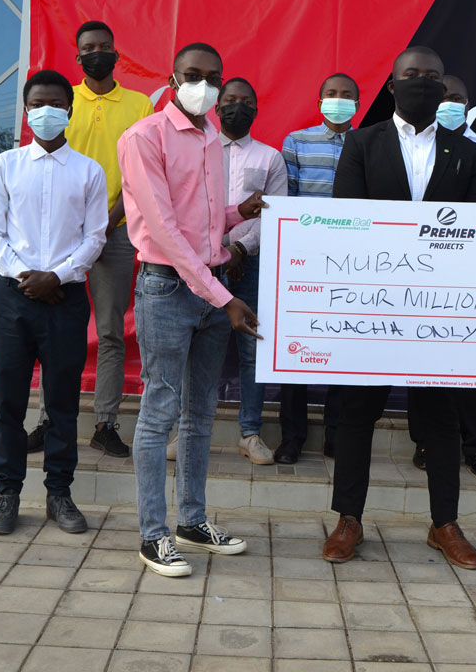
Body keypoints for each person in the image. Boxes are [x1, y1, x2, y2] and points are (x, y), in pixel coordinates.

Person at [322, 47, 476, 570]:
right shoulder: (361, 143)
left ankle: (445, 524)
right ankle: (349, 518)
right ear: (392, 85)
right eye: (411, 76)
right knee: (355, 414)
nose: (422, 83)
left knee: (440, 418)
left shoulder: (467, 153)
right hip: (372, 307)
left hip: (438, 312)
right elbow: (348, 221)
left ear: (445, 90)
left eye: (433, 77)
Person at [118, 43, 267, 577]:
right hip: (168, 288)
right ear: (172, 77)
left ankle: (192, 521)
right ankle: (153, 535)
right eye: (193, 76)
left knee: (200, 415)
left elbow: (200, 220)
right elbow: (164, 230)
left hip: (210, 289)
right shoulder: (144, 137)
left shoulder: (207, 134)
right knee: (160, 410)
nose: (203, 87)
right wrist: (225, 297)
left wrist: (234, 213)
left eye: (213, 78)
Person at [0, 70, 108, 536]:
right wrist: (25, 276)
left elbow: (95, 236)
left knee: (63, 401)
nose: (46, 111)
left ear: (69, 110)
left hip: (66, 297)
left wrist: (59, 275)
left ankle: (60, 493)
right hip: (14, 299)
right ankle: (6, 493)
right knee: (8, 402)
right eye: (37, 103)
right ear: (27, 110)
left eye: (55, 103)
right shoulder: (5, 165)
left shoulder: (89, 171)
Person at [26, 20, 153, 458]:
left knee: (111, 333)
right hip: (62, 236)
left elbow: (140, 175)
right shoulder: (63, 101)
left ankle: (105, 423)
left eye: (104, 46)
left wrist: (105, 224)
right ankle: (47, 420)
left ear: (116, 52)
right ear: (77, 56)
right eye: (88, 47)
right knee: (57, 331)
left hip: (115, 235)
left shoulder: (139, 105)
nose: (97, 52)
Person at [408, 74, 476, 478]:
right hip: (422, 274)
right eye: (445, 97)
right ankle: (424, 441)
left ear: (468, 104)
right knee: (425, 362)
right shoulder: (415, 150)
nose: (450, 103)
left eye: (458, 98)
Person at [273, 73, 359, 464]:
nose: (338, 100)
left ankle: (336, 435)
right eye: (331, 94)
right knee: (296, 350)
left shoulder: (368, 143)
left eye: (346, 96)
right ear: (320, 99)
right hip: (305, 260)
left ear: (358, 103)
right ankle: (292, 437)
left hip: (353, 264)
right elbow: (287, 202)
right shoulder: (297, 141)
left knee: (343, 348)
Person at [216, 77, 288, 464]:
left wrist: (242, 247)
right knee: (200, 346)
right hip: (204, 262)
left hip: (253, 261)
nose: (236, 107)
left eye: (245, 101)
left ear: (256, 111)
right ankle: (188, 428)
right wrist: (220, 249)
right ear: (216, 106)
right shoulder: (200, 150)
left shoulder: (270, 157)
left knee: (251, 348)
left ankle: (250, 432)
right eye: (230, 100)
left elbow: (274, 211)